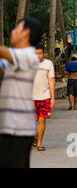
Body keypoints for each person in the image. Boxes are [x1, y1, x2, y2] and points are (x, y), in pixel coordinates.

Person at [0, 17, 43, 167]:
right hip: (8, 128)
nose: (12, 32)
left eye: (15, 29)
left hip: (18, 130)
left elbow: (2, 52)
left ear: (25, 33)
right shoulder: (13, 60)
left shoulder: (29, 56)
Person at [32, 44, 55, 151]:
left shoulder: (49, 64)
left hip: (45, 96)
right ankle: (35, 137)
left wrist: (53, 97)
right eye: (36, 54)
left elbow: (51, 81)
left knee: (42, 120)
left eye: (40, 53)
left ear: (44, 53)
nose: (38, 56)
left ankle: (39, 143)